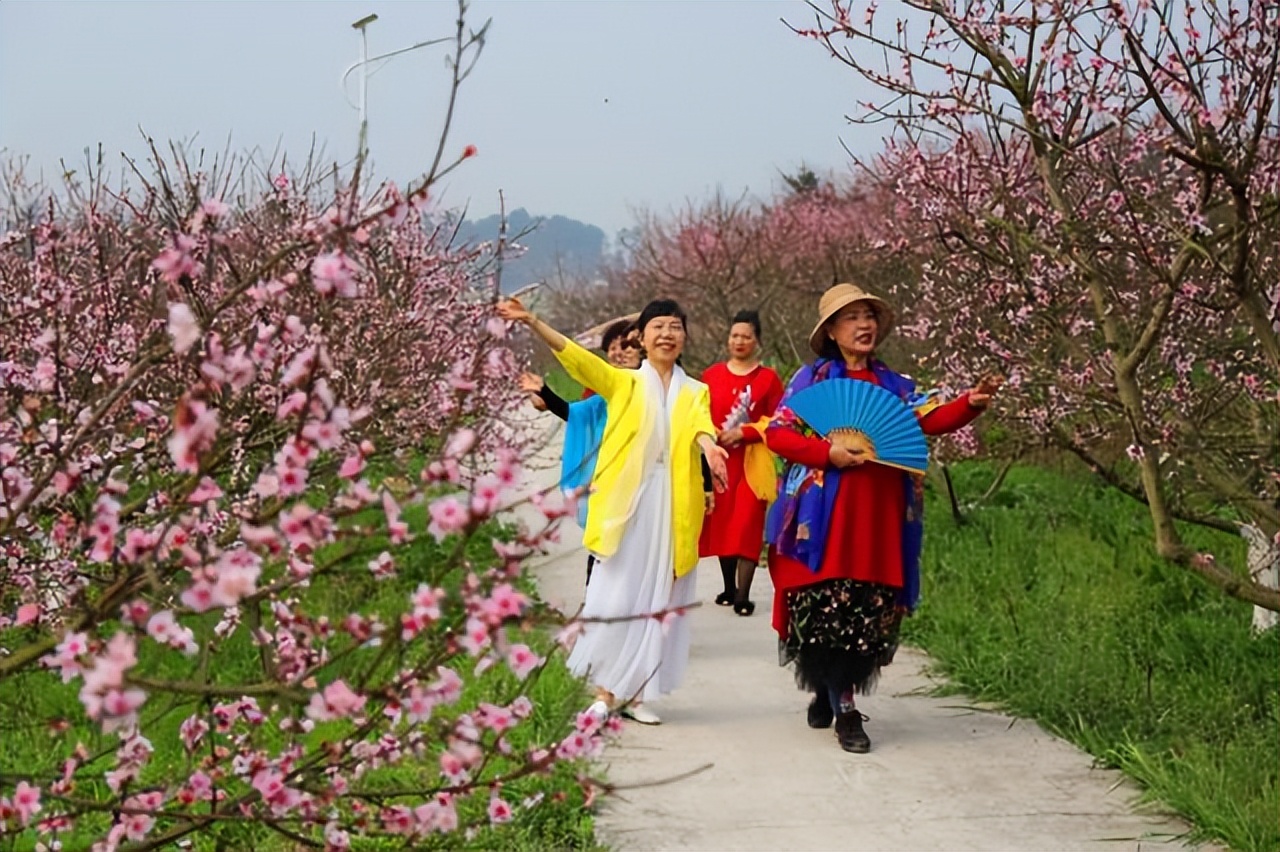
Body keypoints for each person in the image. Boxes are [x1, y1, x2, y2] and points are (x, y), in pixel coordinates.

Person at [765, 283, 1001, 753]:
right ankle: (840, 703)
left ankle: (837, 697)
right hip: (823, 518)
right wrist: (827, 452)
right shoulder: (810, 383)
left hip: (877, 519)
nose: (864, 324)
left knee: (864, 609)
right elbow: (778, 434)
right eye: (852, 317)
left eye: (869, 315)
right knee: (825, 605)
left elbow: (930, 418)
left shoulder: (895, 387)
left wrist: (971, 402)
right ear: (831, 331)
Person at [496, 296, 729, 725]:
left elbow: (701, 425)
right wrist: (533, 321)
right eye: (658, 326)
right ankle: (605, 692)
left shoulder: (696, 391)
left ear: (685, 336)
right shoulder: (624, 383)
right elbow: (577, 359)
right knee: (618, 591)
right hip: (629, 503)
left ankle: (638, 693)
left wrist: (710, 446)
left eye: (675, 326)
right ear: (642, 336)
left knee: (660, 596)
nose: (667, 334)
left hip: (674, 503)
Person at [698, 310, 784, 615]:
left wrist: (746, 432)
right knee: (723, 523)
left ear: (757, 341)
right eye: (735, 335)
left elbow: (779, 420)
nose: (739, 341)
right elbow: (698, 414)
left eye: (746, 336)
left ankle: (744, 594)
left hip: (752, 461)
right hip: (720, 461)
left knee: (747, 523)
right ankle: (729, 586)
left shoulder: (768, 380)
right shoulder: (711, 376)